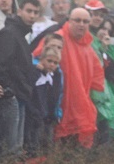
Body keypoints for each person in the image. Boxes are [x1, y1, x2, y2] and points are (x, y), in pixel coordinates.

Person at [33, 8, 104, 148]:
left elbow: (98, 80)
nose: (81, 24)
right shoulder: (57, 40)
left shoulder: (88, 47)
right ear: (69, 21)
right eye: (77, 20)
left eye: (85, 21)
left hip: (79, 109)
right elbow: (36, 60)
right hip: (54, 107)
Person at [0, 0, 40, 154]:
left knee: (16, 148)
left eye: (36, 12)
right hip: (10, 98)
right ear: (19, 11)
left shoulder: (20, 35)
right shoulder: (9, 34)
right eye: (29, 11)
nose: (32, 15)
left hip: (20, 96)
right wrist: (11, 89)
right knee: (10, 149)